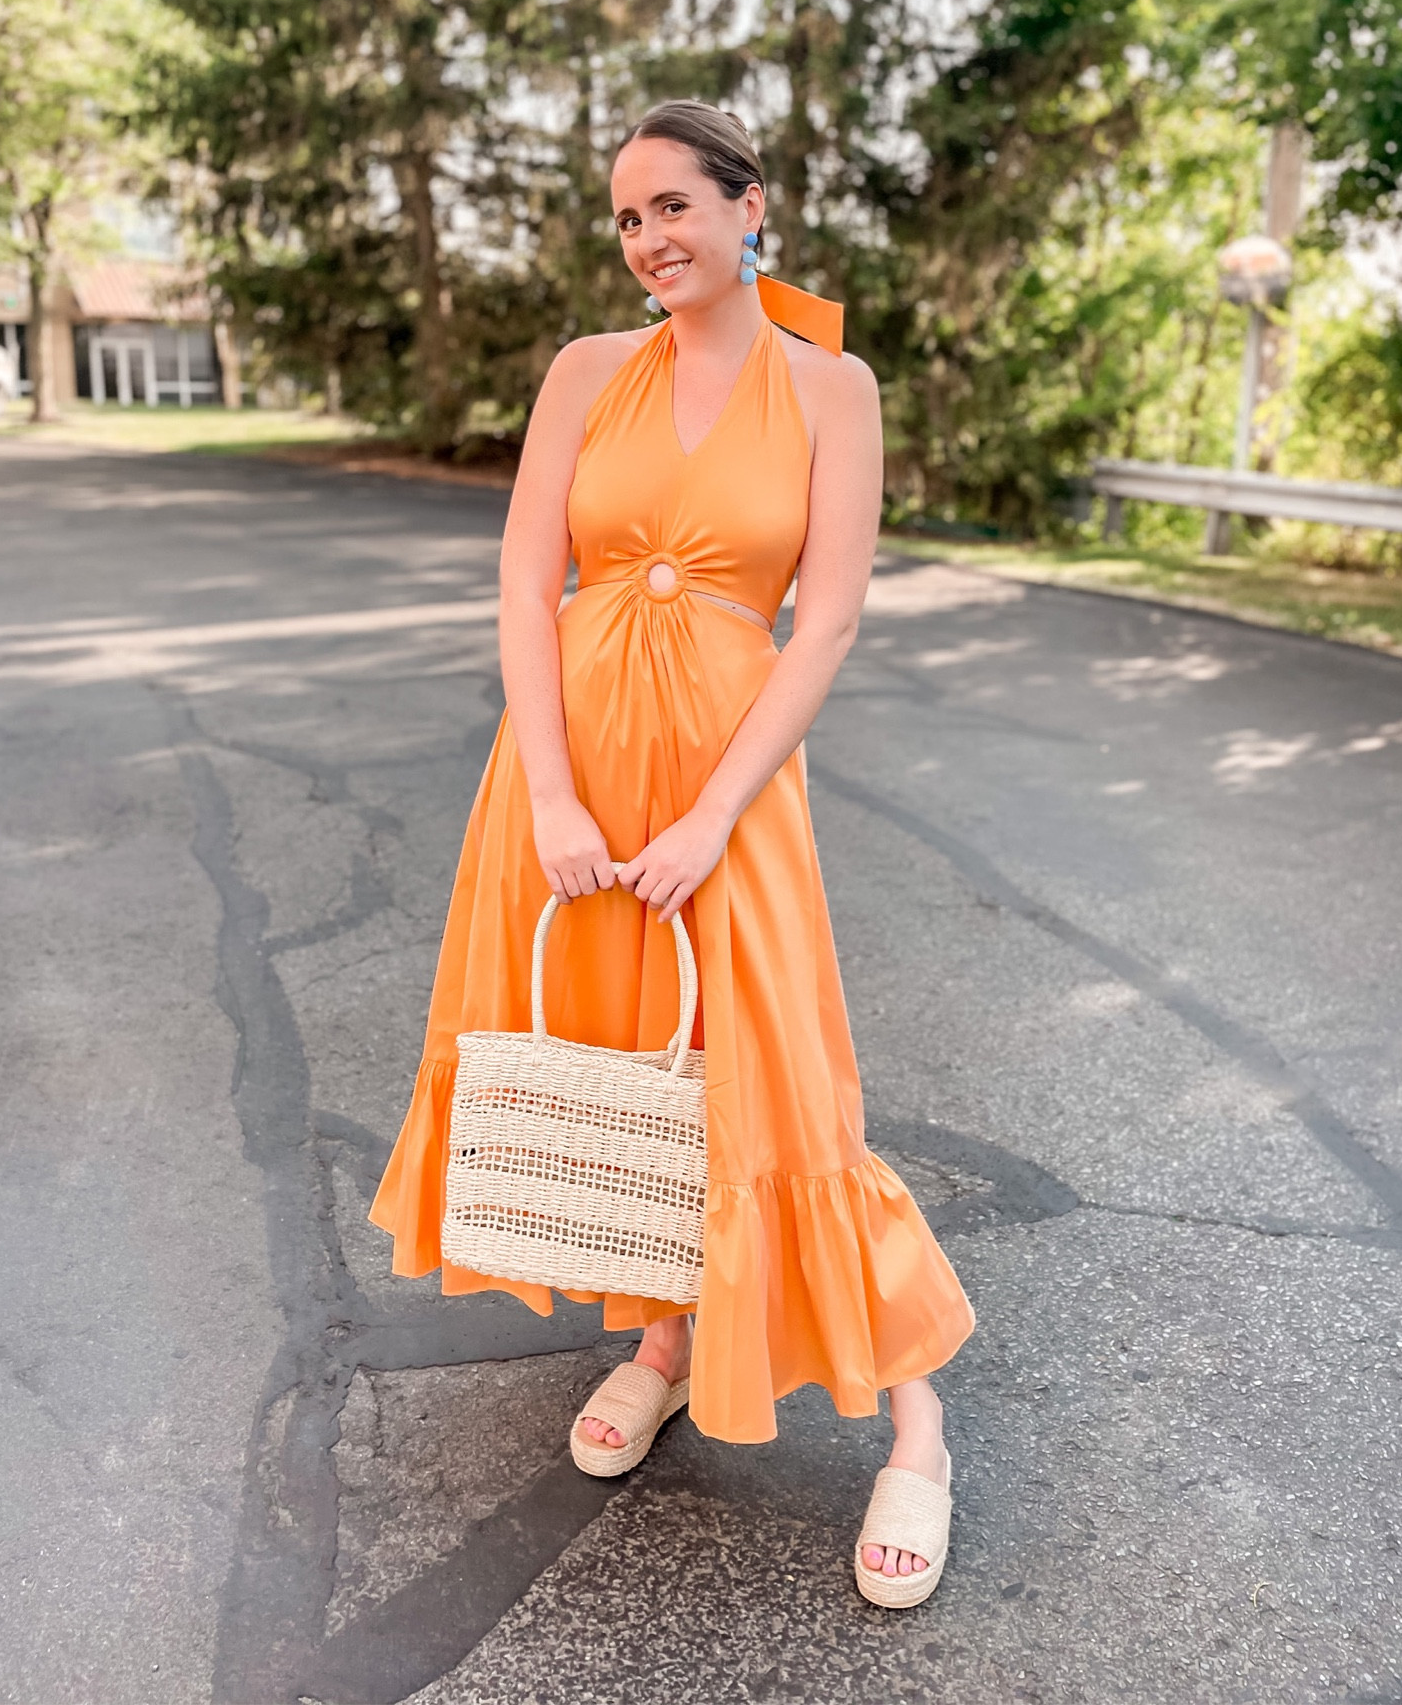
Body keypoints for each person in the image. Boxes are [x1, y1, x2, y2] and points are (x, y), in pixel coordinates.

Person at [370, 99, 974, 1607]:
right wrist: (557, 798)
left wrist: (713, 814)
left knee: (780, 1078)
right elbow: (525, 582)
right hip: (562, 774)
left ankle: (921, 1422)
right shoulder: (584, 373)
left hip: (730, 778)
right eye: (626, 219)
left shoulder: (834, 387)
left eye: (672, 208)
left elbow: (823, 618)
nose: (647, 241)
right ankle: (663, 1337)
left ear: (748, 204)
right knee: (624, 1053)